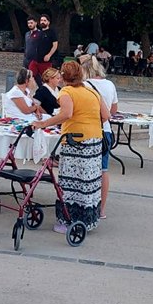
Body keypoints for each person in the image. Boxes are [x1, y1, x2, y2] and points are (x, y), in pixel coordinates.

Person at [31, 61, 109, 233]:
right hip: (94, 141)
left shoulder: (67, 92)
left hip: (75, 141)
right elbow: (106, 115)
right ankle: (88, 219)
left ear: (63, 76)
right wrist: (88, 121)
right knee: (88, 182)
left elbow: (66, 114)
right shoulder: (92, 91)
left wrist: (43, 124)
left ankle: (68, 220)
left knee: (71, 182)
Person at [79, 54, 119, 219]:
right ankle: (101, 209)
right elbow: (113, 110)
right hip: (105, 130)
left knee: (83, 169)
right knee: (103, 170)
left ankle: (82, 204)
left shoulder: (83, 85)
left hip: (87, 131)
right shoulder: (110, 84)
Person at [28, 14, 58, 82]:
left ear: (48, 22)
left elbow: (55, 45)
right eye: (41, 20)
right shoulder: (39, 33)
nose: (42, 22)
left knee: (46, 79)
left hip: (45, 62)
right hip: (35, 60)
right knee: (29, 76)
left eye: (44, 20)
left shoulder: (52, 32)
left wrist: (49, 55)